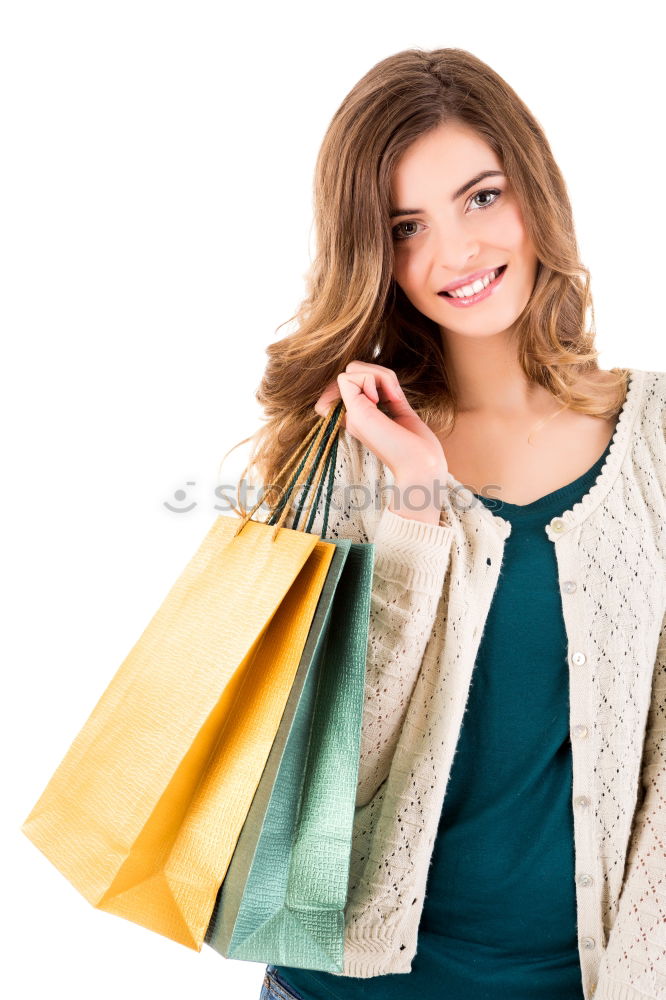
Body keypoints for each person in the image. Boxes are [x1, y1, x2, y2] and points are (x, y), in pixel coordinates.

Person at [244, 47, 665, 1000]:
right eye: (405, 226)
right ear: (374, 253)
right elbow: (323, 768)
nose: (457, 254)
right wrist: (417, 505)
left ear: (534, 189)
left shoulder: (657, 436)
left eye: (481, 197)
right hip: (344, 987)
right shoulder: (347, 447)